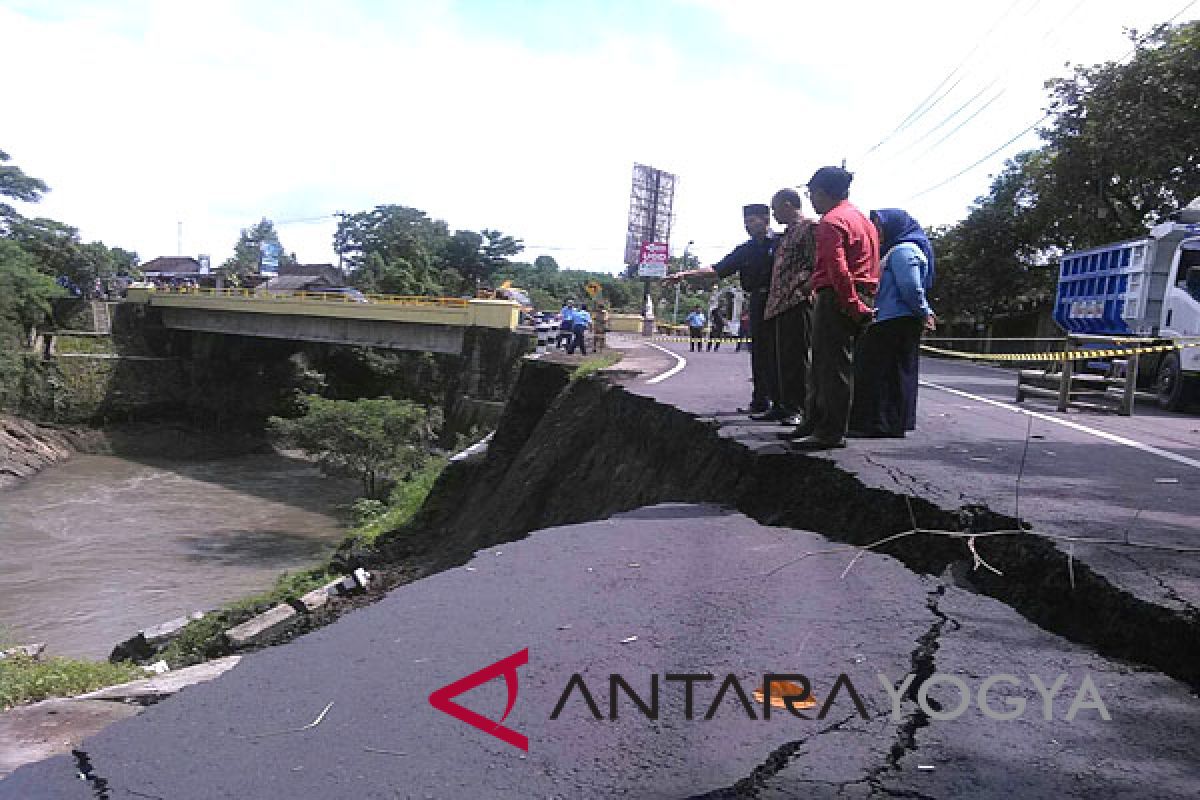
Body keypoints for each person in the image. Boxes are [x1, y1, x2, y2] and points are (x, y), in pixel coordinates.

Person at [789, 166, 880, 450]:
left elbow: (837, 268)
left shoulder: (831, 221)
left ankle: (829, 431)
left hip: (839, 295)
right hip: (861, 292)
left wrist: (850, 303)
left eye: (812, 193)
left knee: (831, 366)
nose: (811, 200)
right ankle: (813, 422)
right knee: (825, 364)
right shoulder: (863, 221)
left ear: (822, 192)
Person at [665, 204, 777, 412]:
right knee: (759, 351)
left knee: (780, 351)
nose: (747, 226)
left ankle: (786, 404)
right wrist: (685, 275)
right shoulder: (745, 250)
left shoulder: (782, 242)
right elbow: (717, 269)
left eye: (752, 221)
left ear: (765, 219)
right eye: (745, 222)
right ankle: (760, 400)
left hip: (781, 299)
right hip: (757, 300)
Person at [849, 209, 936, 437]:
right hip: (888, 320)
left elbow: (911, 287)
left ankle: (882, 424)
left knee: (886, 374)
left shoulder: (904, 251)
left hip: (895, 322)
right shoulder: (892, 251)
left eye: (879, 226)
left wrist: (924, 312)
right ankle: (883, 422)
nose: (876, 232)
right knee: (884, 373)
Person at [760, 188, 818, 425]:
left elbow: (818, 263)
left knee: (796, 358)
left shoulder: (809, 228)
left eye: (775, 209)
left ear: (787, 205)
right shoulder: (786, 234)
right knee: (780, 359)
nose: (773, 215)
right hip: (778, 304)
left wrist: (803, 288)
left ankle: (799, 409)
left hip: (797, 301)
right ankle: (783, 405)